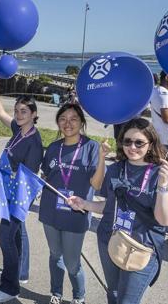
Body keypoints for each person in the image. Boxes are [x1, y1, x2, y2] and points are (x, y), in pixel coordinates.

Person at [67, 118, 168, 304]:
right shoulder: (115, 170)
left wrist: (163, 185)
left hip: (143, 247)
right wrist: (85, 204)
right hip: (110, 240)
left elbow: (165, 220)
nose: (132, 147)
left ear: (151, 143)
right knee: (113, 293)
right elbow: (108, 206)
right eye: (127, 141)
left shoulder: (161, 173)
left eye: (139, 142)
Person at [38, 104, 108, 304]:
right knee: (54, 254)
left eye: (73, 119)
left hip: (76, 212)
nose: (68, 123)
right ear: (58, 122)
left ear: (82, 122)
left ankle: (79, 296)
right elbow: (46, 175)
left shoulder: (92, 147)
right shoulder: (53, 147)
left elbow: (96, 184)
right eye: (63, 119)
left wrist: (102, 159)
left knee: (72, 262)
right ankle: (56, 293)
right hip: (50, 211)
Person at [0, 75, 45, 303]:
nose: (18, 114)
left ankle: (10, 287)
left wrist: (11, 193)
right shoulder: (19, 129)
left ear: (33, 114)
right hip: (8, 191)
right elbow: (1, 113)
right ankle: (19, 272)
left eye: (24, 111)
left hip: (19, 196)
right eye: (18, 110)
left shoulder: (34, 141)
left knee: (5, 236)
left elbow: (27, 180)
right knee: (17, 235)